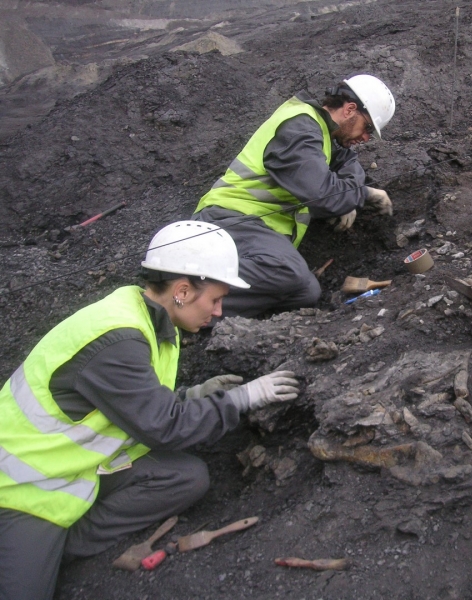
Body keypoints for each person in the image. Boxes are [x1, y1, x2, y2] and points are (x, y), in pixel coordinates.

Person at [0, 220, 300, 600]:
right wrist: (242, 399)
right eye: (215, 300)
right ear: (183, 290)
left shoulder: (150, 321)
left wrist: (192, 397)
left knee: (186, 477)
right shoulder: (118, 337)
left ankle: (65, 545)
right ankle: (41, 546)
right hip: (22, 488)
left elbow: (131, 404)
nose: (220, 311)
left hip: (80, 467)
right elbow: (163, 428)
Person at [193, 73, 396, 318]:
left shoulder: (323, 135)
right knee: (291, 273)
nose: (365, 138)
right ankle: (185, 300)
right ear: (350, 110)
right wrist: (358, 194)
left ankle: (210, 315)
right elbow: (322, 195)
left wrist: (349, 193)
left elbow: (349, 163)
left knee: (305, 291)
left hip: (256, 227)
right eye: (367, 128)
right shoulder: (301, 128)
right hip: (230, 220)